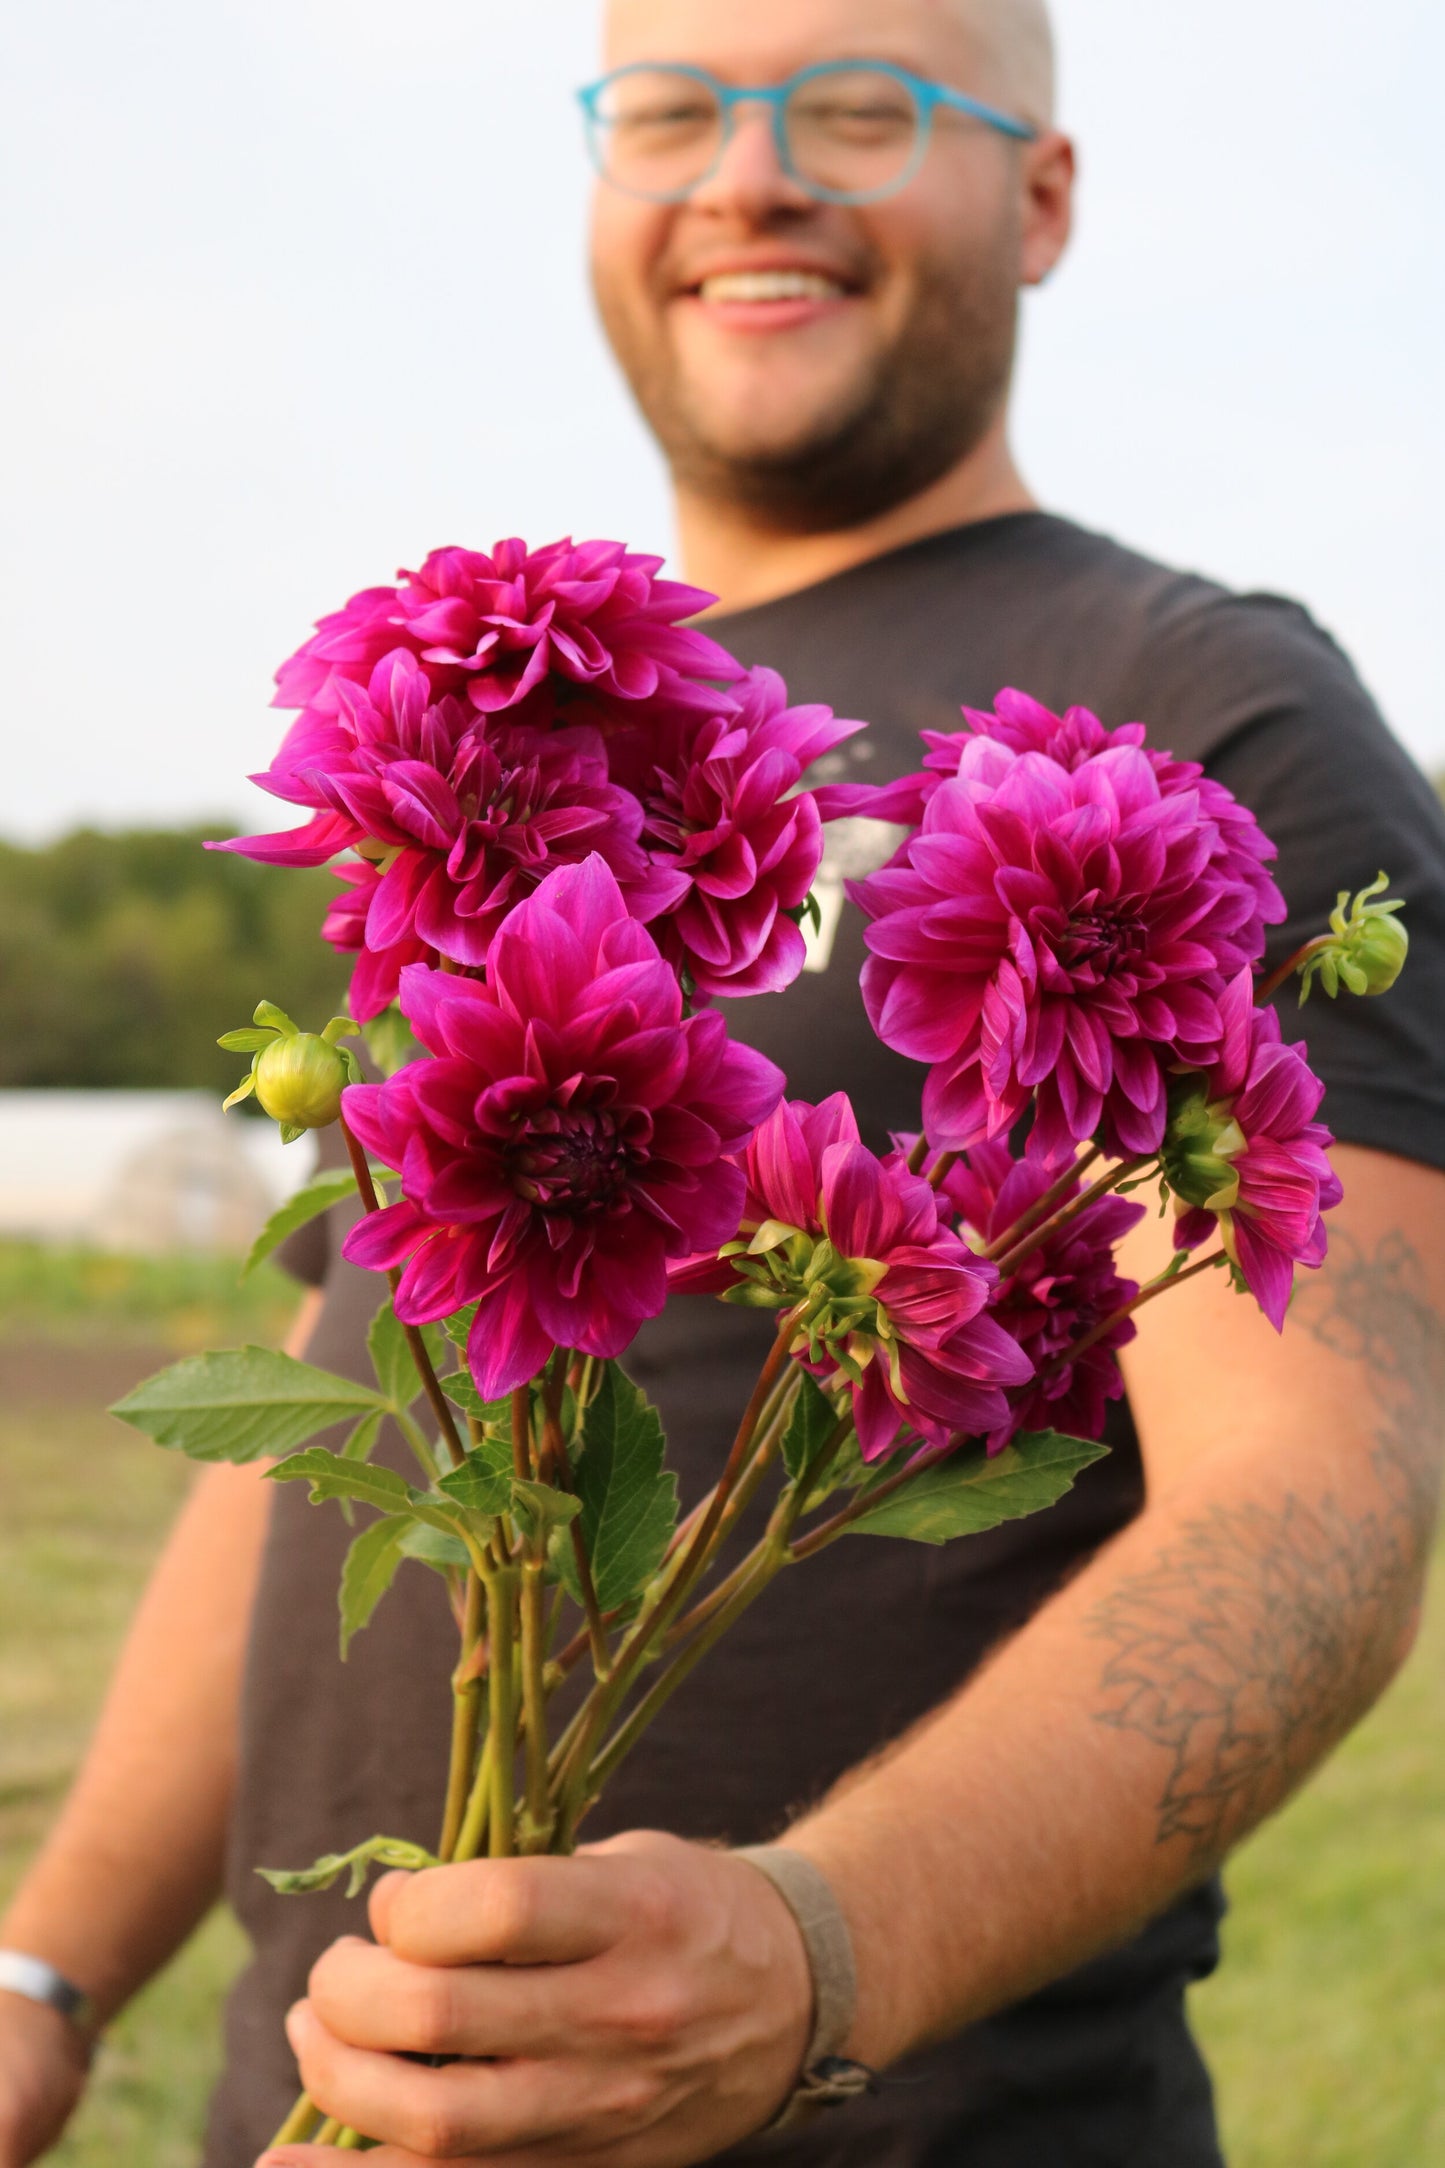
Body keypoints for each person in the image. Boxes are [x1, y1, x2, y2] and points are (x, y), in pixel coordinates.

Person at [3, 0, 1444, 2162]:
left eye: (862, 108)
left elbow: (1313, 1498)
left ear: (1041, 198)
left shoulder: (1197, 706)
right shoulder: (539, 718)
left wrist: (811, 1952)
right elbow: (331, 1421)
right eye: (672, 109)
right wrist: (45, 1974)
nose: (748, 174)